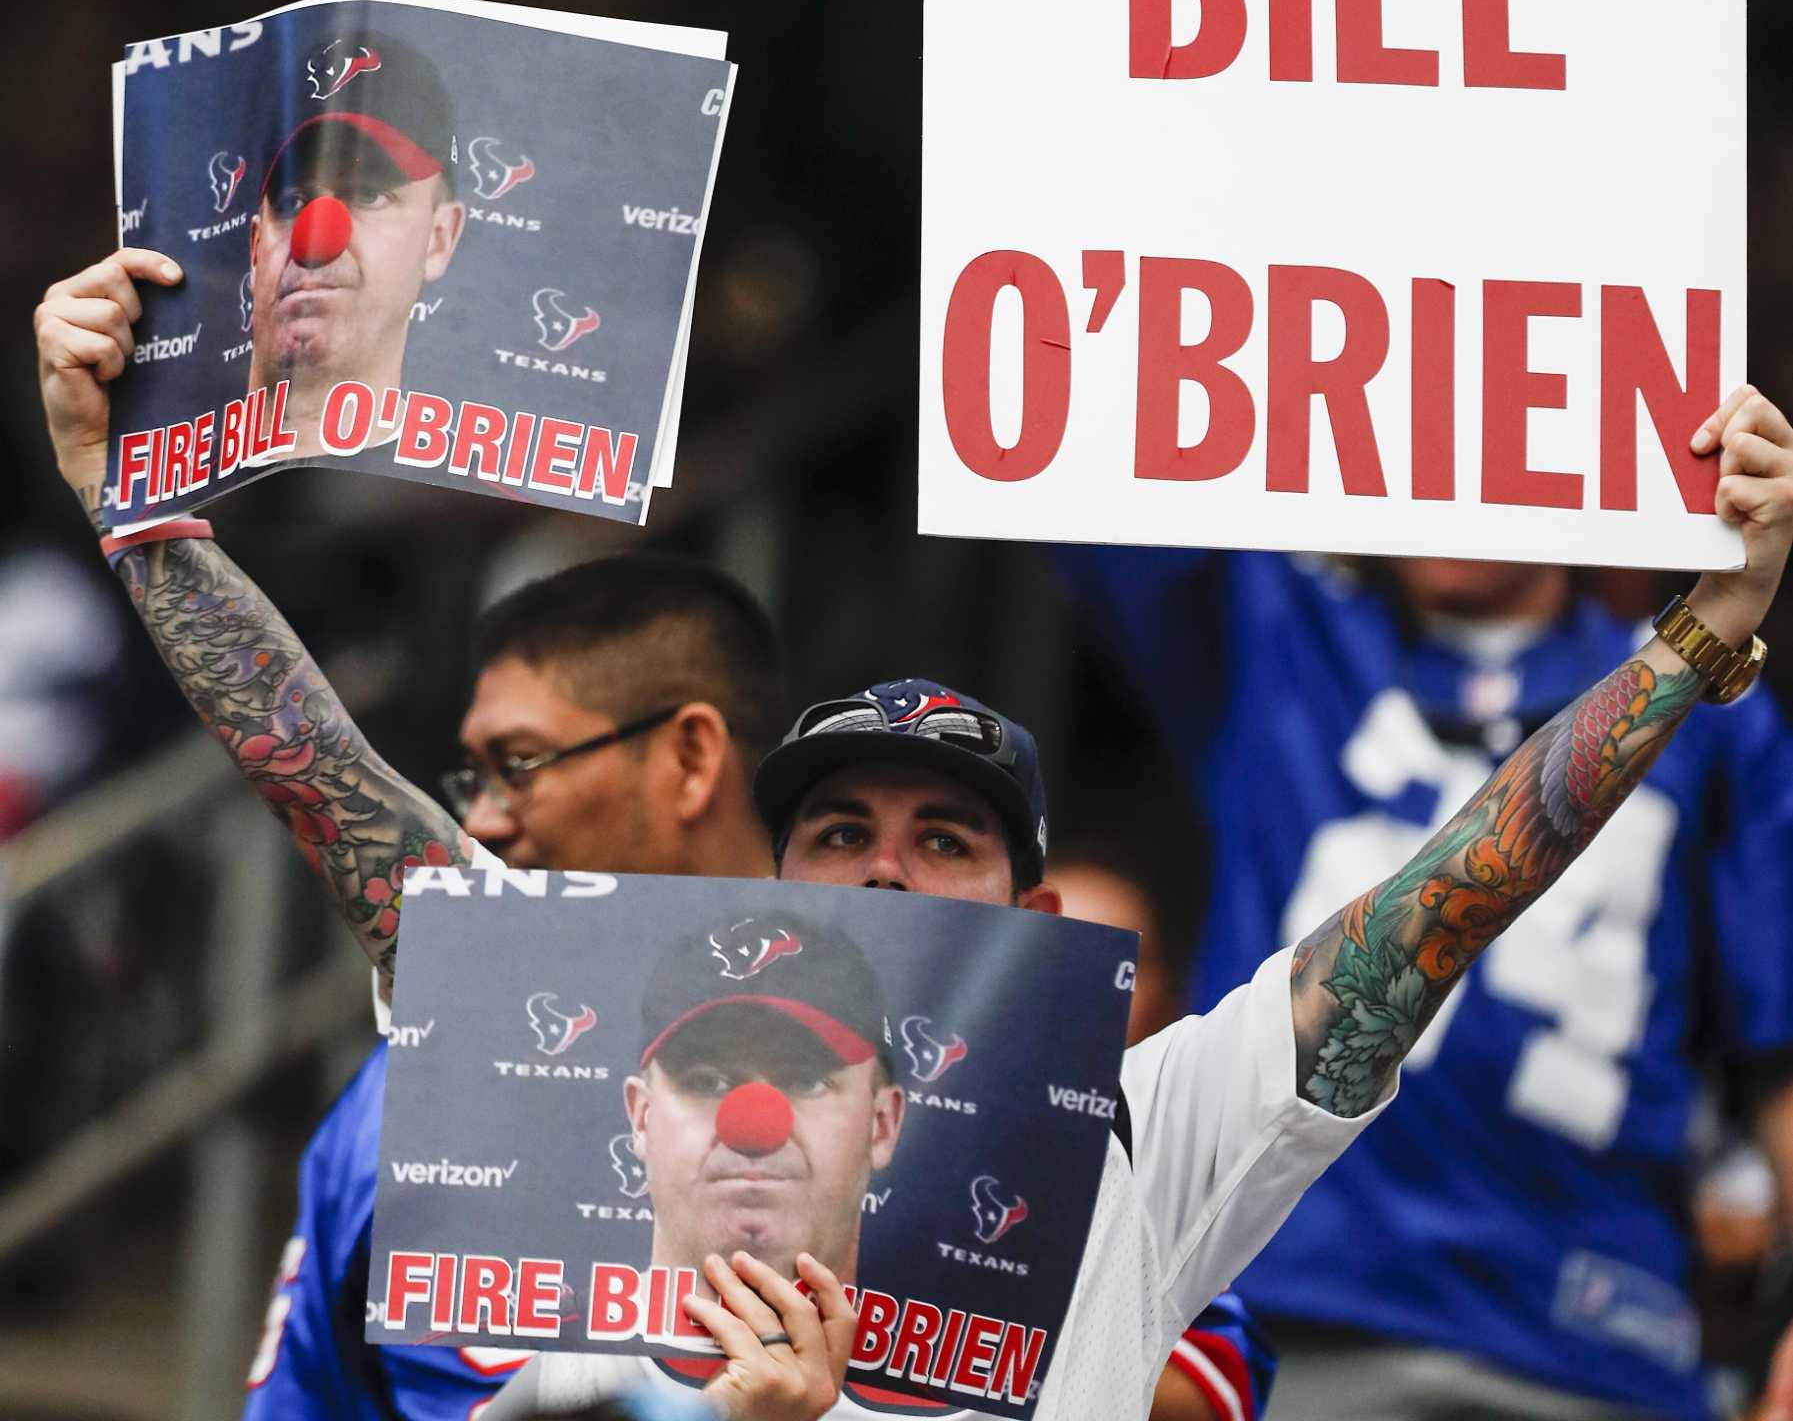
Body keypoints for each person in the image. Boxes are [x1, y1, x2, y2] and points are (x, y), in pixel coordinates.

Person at [35, 247, 1793, 1420]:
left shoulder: (1143, 1133)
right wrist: (137, 504)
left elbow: (1443, 896)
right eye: (842, 829)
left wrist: (1696, 628)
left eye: (944, 840)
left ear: (1028, 909)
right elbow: (319, 768)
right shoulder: (576, 1059)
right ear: (764, 881)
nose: (884, 862)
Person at [1061, 544, 1793, 1421]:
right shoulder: (1277, 624)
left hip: (1598, 1335)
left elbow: (1779, 1047)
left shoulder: (1706, 699)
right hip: (1299, 1312)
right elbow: (1082, 464)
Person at [242, 549, 787, 1419]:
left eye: (522, 763)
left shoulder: (907, 1086)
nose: (483, 817)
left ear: (689, 757)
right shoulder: (393, 1107)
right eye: (476, 775)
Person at [1050, 842, 1278, 1421]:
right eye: (1049, 955)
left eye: (1110, 967)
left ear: (1168, 1000)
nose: (1077, 991)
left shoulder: (1168, 1168)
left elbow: (1217, 1387)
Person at [624, 913, 905, 1287]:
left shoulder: (988, 1349)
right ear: (642, 1118)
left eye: (806, 1081)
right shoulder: (536, 1347)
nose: (755, 1127)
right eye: (706, 1082)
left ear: (881, 1125)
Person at [248, 30, 466, 455]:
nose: (316, 238)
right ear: (255, 247)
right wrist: (91, 458)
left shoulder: (479, 512)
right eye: (293, 201)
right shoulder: (149, 484)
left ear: (439, 240)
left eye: (368, 195)